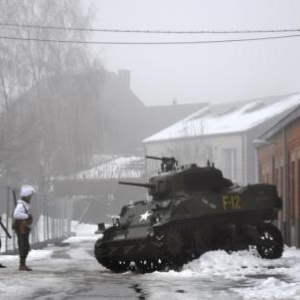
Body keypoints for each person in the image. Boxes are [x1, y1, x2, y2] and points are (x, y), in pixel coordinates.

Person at [12, 185, 35, 271]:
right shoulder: (21, 205)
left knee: (25, 245)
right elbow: (16, 214)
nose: (31, 197)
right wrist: (27, 216)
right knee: (23, 245)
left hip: (24, 227)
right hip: (21, 227)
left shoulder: (24, 204)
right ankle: (22, 265)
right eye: (30, 196)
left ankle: (23, 264)